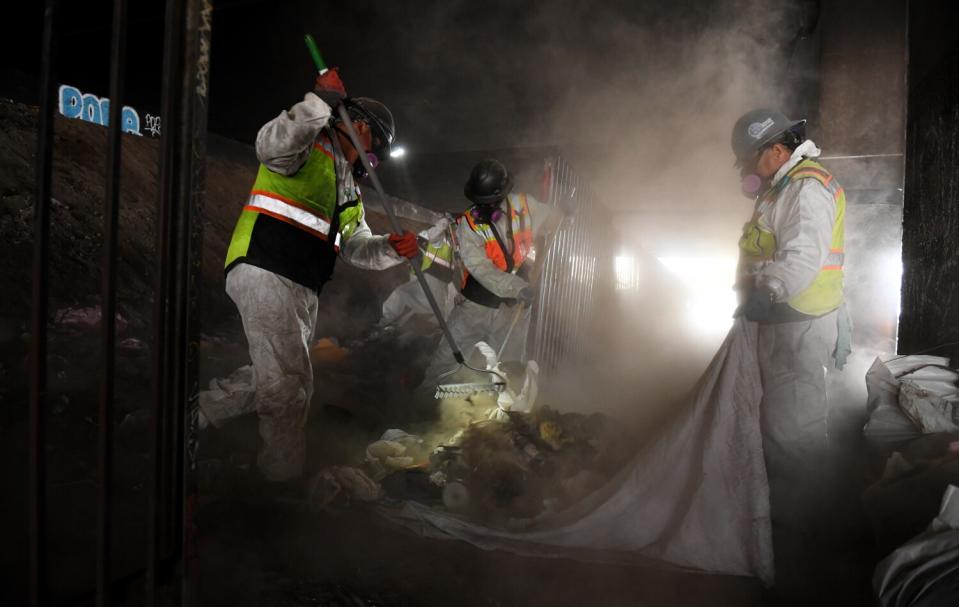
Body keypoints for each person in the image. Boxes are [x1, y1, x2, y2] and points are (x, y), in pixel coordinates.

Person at [198, 68, 419, 484]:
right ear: (360, 128)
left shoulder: (347, 188)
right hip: (266, 265)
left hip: (299, 283)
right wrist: (319, 100)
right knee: (286, 388)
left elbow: (357, 247)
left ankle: (192, 419)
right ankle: (280, 480)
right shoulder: (307, 143)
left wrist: (391, 248)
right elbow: (270, 146)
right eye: (373, 151)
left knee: (285, 375)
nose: (369, 163)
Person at [731, 108, 851, 581]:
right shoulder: (784, 187)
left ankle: (811, 537)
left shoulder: (806, 188)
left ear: (776, 151)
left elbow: (804, 255)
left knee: (794, 429)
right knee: (780, 422)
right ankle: (789, 517)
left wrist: (769, 290)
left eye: (749, 160)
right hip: (786, 322)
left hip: (797, 324)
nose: (746, 171)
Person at [420, 159, 565, 387]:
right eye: (479, 203)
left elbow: (550, 221)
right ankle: (424, 402)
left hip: (514, 307)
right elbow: (481, 268)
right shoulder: (469, 223)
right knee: (447, 359)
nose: (483, 209)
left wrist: (563, 213)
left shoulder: (524, 205)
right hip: (477, 303)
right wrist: (516, 287)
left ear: (503, 196)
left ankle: (501, 414)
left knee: (508, 368)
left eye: (490, 203)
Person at [377, 214, 457, 331]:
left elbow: (432, 236)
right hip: (428, 280)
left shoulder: (446, 243)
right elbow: (431, 236)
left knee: (403, 297)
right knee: (403, 296)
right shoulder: (438, 240)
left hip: (433, 282)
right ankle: (390, 326)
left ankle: (388, 325)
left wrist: (445, 221)